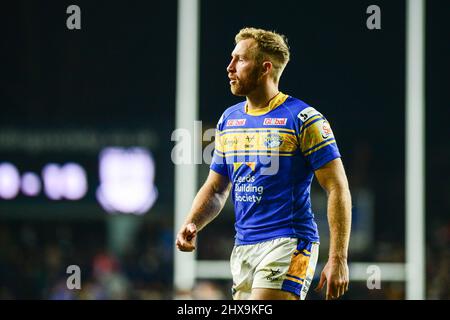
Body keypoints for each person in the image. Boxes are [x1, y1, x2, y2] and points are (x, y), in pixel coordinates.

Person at [176, 27, 352, 300]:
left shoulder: (304, 119)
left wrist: (338, 257)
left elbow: (337, 188)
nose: (229, 67)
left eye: (240, 60)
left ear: (265, 68)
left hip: (290, 242)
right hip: (244, 246)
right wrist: (192, 223)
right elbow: (216, 188)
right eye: (231, 58)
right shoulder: (229, 120)